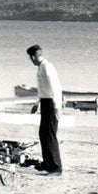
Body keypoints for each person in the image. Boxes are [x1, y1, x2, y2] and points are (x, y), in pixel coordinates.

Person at [28, 44, 63, 175]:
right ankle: (47, 163)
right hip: (45, 101)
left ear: (33, 57)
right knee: (43, 133)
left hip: (51, 103)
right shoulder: (41, 67)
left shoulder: (47, 68)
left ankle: (56, 167)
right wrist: (38, 102)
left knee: (50, 134)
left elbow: (56, 88)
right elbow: (44, 88)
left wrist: (57, 107)